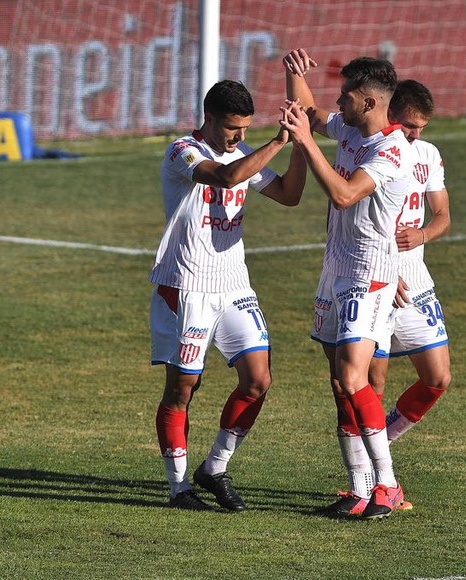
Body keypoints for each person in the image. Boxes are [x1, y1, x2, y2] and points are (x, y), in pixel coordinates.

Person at [150, 80, 307, 511]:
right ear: (210, 118)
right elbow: (223, 178)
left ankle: (215, 467)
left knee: (258, 381)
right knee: (182, 388)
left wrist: (300, 145)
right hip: (187, 285)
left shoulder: (243, 153)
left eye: (244, 129)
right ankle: (179, 489)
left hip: (234, 284)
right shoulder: (183, 150)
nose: (239, 137)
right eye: (232, 129)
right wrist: (277, 140)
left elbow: (290, 196)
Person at [280, 48, 414, 519]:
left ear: (370, 102)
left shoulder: (391, 151)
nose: (337, 105)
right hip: (334, 270)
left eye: (346, 98)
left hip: (368, 275)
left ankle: (387, 485)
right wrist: (295, 76)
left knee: (354, 378)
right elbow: (311, 116)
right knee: (340, 383)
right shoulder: (350, 128)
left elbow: (342, 195)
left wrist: (306, 142)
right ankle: (358, 489)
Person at [369, 78, 452, 474]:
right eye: (408, 126)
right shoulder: (373, 153)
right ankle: (369, 478)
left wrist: (422, 234)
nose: (415, 135)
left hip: (416, 279)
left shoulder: (428, 155)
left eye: (421, 128)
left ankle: (379, 444)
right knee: (372, 384)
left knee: (437, 378)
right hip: (376, 277)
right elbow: (354, 220)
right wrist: (384, 270)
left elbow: (443, 217)